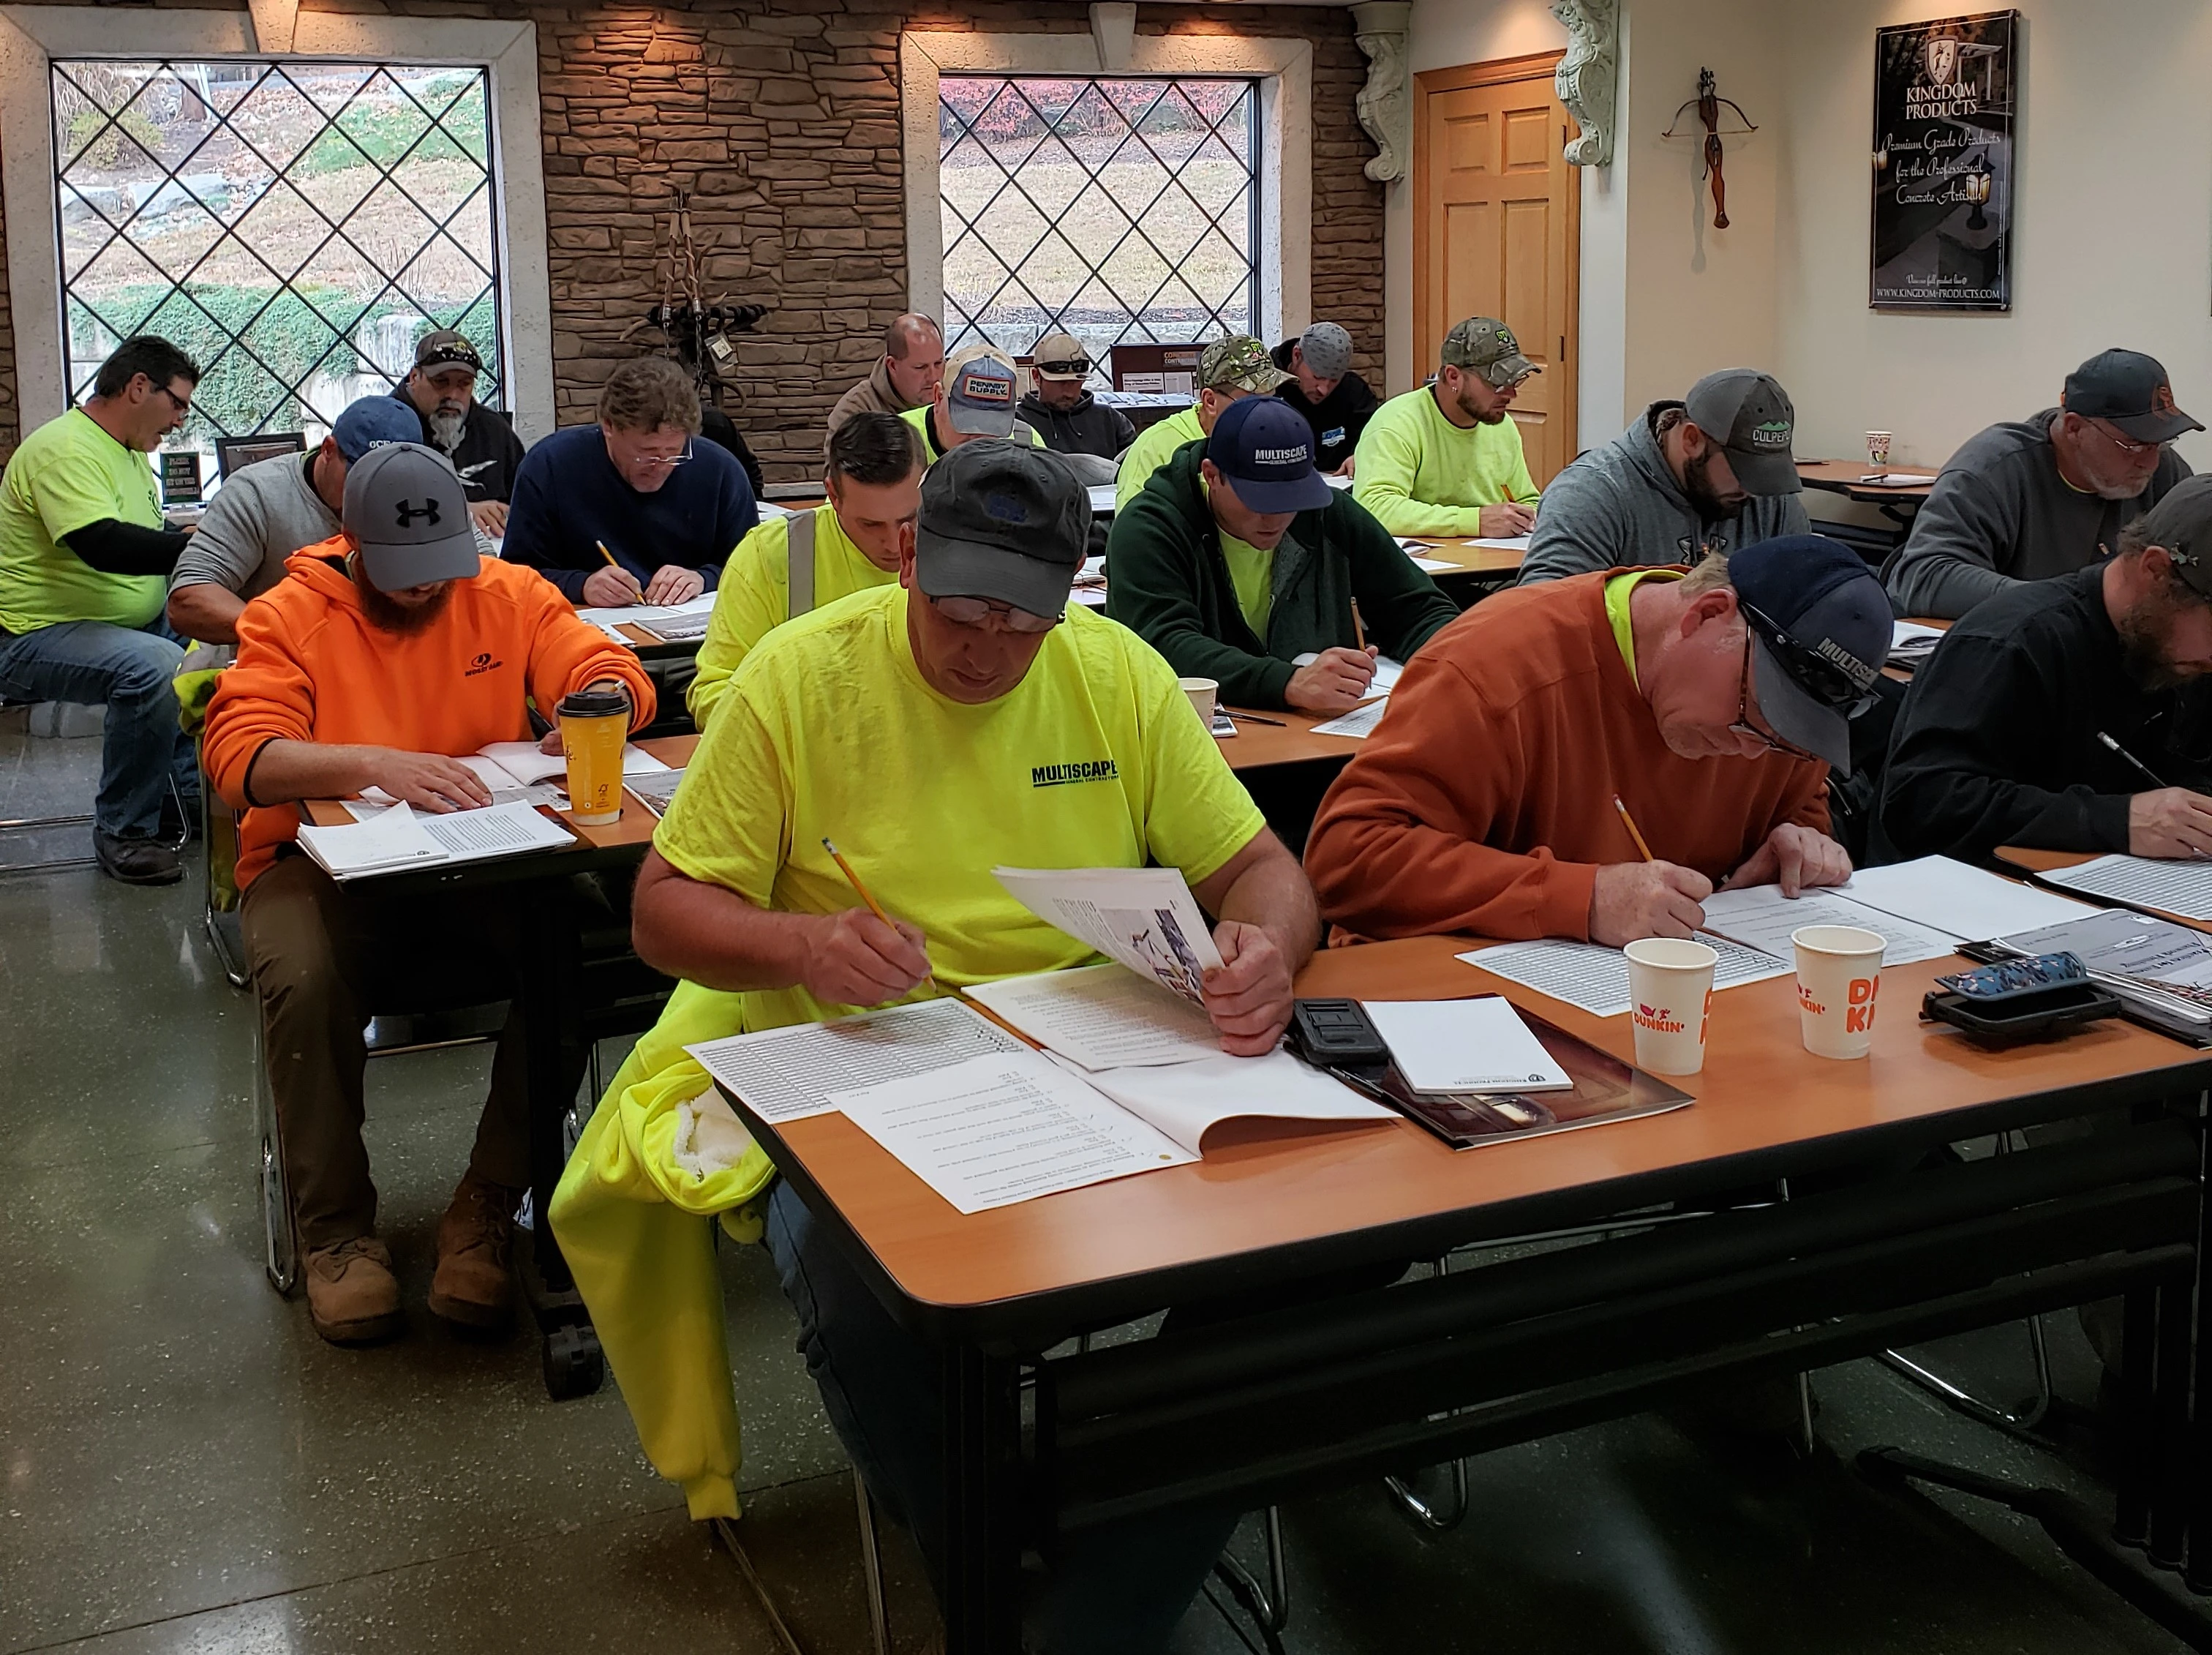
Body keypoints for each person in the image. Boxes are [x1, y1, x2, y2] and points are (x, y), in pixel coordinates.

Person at [592, 440, 1314, 1651]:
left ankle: (1078, 1579)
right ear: (906, 556)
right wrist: (802, 947)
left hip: (1094, 1050)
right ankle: (1025, 1574)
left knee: (1303, 1250)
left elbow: (1257, 868)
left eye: (1021, 623)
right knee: (860, 1279)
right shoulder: (799, 676)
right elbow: (663, 912)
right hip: (857, 1060)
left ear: (1066, 598)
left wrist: (1263, 952)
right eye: (959, 611)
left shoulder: (1113, 672)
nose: (985, 649)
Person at [201, 442, 655, 1346]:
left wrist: (597, 706)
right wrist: (371, 763)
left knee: (575, 948)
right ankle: (334, 1232)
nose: (424, 590)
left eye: (439, 569)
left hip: (477, 851)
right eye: (400, 573)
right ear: (351, 545)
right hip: (317, 862)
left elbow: (608, 668)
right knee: (302, 975)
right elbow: (239, 756)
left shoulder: (506, 591)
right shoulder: (290, 614)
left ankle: (488, 1201)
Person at [1306, 536, 1886, 944]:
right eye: (1750, 717)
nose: (1756, 752)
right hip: (1472, 1009)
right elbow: (1347, 861)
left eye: (1790, 742)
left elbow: (1799, 802)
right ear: (1706, 613)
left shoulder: (1773, 720)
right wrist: (1580, 897)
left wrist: (1803, 839)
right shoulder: (1495, 667)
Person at [1881, 477, 2212, 864]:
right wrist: (2112, 820)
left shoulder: (2189, 654)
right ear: (2155, 571)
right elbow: (1922, 803)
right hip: (1969, 896)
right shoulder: (2010, 643)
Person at [1105, 396, 1457, 713]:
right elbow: (1164, 645)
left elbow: (1417, 608)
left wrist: (1460, 662)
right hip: (1201, 742)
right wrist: (1287, 683)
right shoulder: (1150, 528)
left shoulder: (1328, 514)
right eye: (1259, 501)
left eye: (1291, 500)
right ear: (1212, 475)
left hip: (1321, 742)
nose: (1276, 519)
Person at [0, 334, 201, 885]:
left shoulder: (128, 452)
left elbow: (142, 529)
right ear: (139, 387)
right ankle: (124, 831)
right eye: (178, 403)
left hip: (119, 621)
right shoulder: (65, 449)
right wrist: (197, 547)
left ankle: (181, 798)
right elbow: (103, 543)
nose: (181, 420)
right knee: (157, 669)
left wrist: (195, 534)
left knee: (205, 646)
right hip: (35, 634)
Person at [1884, 349, 2200, 620]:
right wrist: (2074, 606)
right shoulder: (1995, 469)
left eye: (2161, 442)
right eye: (2133, 445)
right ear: (2074, 428)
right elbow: (1924, 576)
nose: (2151, 462)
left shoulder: (2161, 470)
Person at [687, 410, 923, 724]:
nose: (895, 543)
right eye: (870, 524)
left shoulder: (962, 552)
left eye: (909, 519)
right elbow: (714, 693)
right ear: (833, 495)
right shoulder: (772, 555)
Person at [166, 396, 428, 646]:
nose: (373, 493)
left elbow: (468, 577)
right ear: (329, 449)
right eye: (361, 476)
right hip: (275, 668)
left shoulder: (431, 497)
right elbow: (188, 599)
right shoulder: (256, 494)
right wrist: (288, 632)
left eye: (393, 481)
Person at [503, 356, 758, 607]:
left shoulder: (720, 469)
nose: (661, 466)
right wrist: (580, 585)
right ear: (609, 427)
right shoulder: (550, 466)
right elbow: (515, 576)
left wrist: (703, 578)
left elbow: (757, 569)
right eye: (646, 453)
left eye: (674, 453)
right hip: (586, 631)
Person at [1517, 369, 1812, 585]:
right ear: (1692, 440)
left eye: (1765, 474)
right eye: (1742, 470)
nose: (1753, 491)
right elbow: (1543, 613)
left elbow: (1806, 596)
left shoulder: (1771, 500)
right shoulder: (1592, 493)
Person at [1352, 317, 1542, 538]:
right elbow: (1375, 508)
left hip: (1495, 565)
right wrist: (1474, 521)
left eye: (1515, 382)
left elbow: (1527, 501)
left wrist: (1527, 517)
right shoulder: (1398, 422)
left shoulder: (1501, 425)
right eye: (1498, 383)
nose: (1511, 394)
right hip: (1425, 568)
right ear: (1453, 376)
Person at [1113, 335, 1286, 511]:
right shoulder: (1156, 448)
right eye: (1253, 402)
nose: (1265, 413)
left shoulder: (1275, 438)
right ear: (1210, 401)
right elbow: (1134, 530)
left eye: (1271, 399)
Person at [388, 329, 527, 536]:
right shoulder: (384, 427)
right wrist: (461, 511)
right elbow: (376, 506)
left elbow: (526, 503)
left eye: (464, 384)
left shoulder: (495, 431)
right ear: (414, 377)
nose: (452, 394)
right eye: (441, 382)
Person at [899, 342, 1045, 463]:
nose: (978, 437)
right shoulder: (898, 438)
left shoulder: (1028, 445)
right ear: (938, 397)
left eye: (992, 424)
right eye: (967, 421)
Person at [824, 313, 944, 457]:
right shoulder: (854, 411)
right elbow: (838, 476)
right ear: (893, 366)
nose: (934, 377)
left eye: (938, 363)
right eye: (920, 367)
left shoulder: (954, 398)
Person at [1271, 321, 1377, 477]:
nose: (1323, 390)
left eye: (1334, 381)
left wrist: (1360, 455)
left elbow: (1375, 438)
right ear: (1297, 355)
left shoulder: (1355, 393)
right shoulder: (1265, 388)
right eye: (1317, 377)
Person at [1017, 329, 1135, 461]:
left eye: (1075, 382)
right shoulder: (1019, 421)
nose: (1068, 392)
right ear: (1036, 377)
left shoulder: (1110, 421)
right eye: (1060, 383)